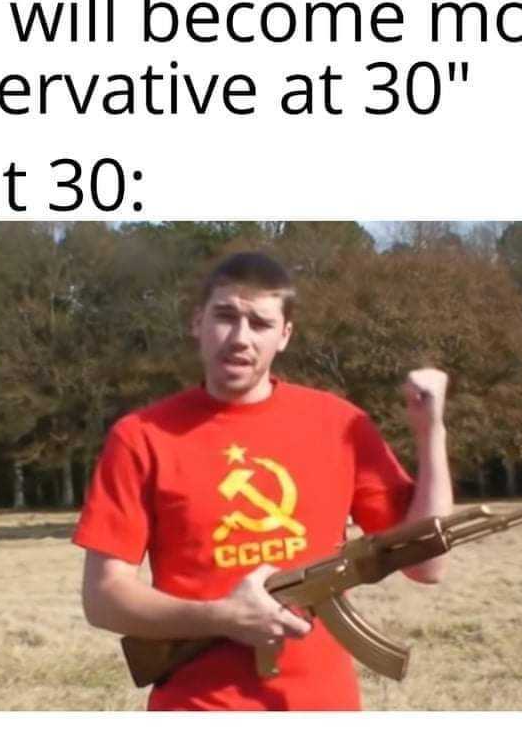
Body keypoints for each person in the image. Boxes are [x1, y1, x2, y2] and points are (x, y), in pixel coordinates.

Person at [73, 251, 454, 710]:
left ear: (285, 335)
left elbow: (427, 566)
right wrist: (223, 618)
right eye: (225, 316)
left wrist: (431, 433)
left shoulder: (339, 425)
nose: (239, 338)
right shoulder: (141, 437)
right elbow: (104, 598)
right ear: (197, 322)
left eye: (260, 323)